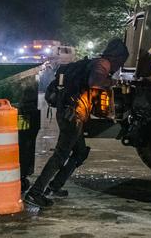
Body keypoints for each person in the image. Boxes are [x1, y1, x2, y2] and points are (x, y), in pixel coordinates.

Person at [24, 39, 129, 208]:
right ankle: (35, 193)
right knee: (61, 154)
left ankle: (54, 186)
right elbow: (95, 83)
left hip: (69, 111)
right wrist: (116, 83)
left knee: (80, 152)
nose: (120, 65)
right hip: (73, 114)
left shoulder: (95, 62)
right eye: (122, 61)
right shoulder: (102, 64)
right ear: (117, 57)